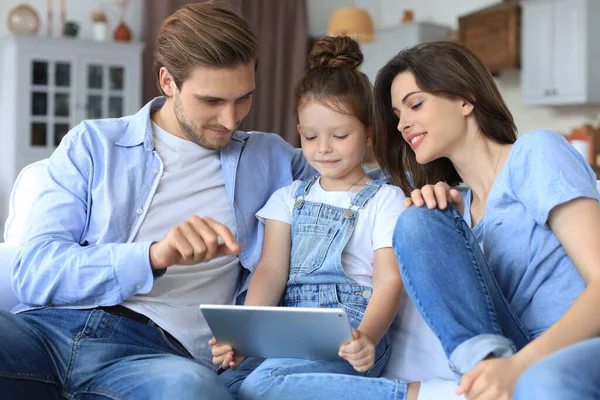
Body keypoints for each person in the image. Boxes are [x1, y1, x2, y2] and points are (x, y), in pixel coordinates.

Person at [0, 3, 315, 400]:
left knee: (194, 391)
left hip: (159, 355)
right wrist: (153, 255)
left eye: (244, 99)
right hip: (47, 332)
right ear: (168, 82)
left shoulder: (271, 158)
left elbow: (360, 176)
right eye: (211, 101)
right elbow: (34, 270)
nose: (232, 119)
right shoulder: (94, 145)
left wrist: (420, 184)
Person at [371, 40, 600, 400]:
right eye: (397, 115)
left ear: (465, 98)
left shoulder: (535, 152)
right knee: (418, 220)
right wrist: (438, 215)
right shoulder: (455, 206)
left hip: (577, 348)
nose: (402, 124)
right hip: (510, 357)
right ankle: (486, 372)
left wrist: (520, 367)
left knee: (541, 382)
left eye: (415, 104)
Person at [210, 35, 406, 400]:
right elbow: (270, 272)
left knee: (262, 386)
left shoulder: (385, 199)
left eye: (340, 135)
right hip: (286, 336)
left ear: (368, 132)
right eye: (312, 136)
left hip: (351, 337)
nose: (324, 148)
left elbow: (389, 280)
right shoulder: (288, 198)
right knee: (221, 387)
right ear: (299, 133)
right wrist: (243, 336)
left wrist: (368, 337)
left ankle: (409, 395)